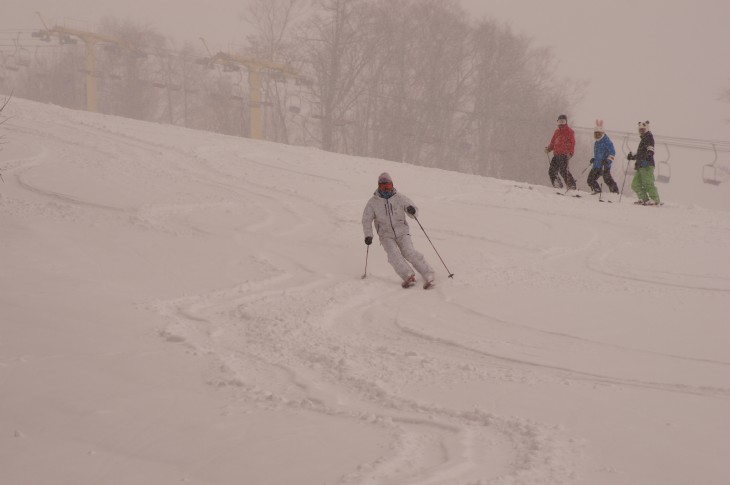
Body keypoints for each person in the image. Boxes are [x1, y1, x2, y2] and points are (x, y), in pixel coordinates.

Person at [362, 172, 435, 289]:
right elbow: (366, 220)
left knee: (409, 252)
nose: (386, 190)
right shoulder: (373, 202)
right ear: (378, 186)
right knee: (393, 255)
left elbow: (414, 211)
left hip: (402, 231)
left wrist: (412, 211)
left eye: (388, 186)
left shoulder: (400, 198)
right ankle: (408, 275)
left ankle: (428, 273)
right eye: (383, 187)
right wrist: (368, 235)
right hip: (385, 235)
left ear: (392, 185)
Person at [628, 121, 662, 205]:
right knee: (635, 184)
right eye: (640, 130)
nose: (641, 131)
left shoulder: (649, 137)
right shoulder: (643, 139)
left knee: (648, 183)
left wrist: (649, 156)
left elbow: (651, 148)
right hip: (640, 166)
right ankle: (644, 199)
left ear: (646, 129)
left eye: (643, 129)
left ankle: (655, 199)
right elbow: (641, 154)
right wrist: (632, 156)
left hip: (647, 165)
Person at [587, 119, 619, 195]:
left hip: (605, 165)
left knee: (607, 179)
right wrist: (594, 159)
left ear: (602, 133)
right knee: (590, 179)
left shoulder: (607, 142)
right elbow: (597, 154)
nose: (597, 136)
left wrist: (608, 161)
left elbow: (612, 153)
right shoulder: (596, 143)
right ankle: (597, 190)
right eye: (596, 134)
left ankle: (615, 192)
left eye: (599, 134)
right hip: (597, 165)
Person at [545, 114, 577, 190]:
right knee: (552, 171)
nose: (561, 124)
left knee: (563, 170)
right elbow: (553, 143)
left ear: (566, 122)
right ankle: (557, 184)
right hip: (556, 155)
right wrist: (549, 149)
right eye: (559, 122)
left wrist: (570, 153)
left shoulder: (570, 132)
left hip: (564, 154)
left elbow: (572, 143)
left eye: (563, 121)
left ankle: (572, 185)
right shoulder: (556, 132)